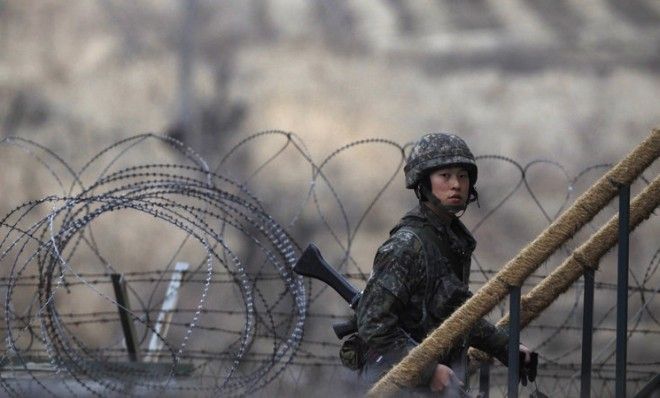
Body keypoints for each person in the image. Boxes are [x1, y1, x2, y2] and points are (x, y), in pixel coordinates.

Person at [355, 133, 533, 395]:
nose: (456, 185)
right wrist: (427, 370)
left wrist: (504, 347)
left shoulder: (450, 241)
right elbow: (374, 325)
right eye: (445, 176)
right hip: (401, 388)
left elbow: (455, 314)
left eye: (462, 176)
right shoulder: (407, 245)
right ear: (424, 182)